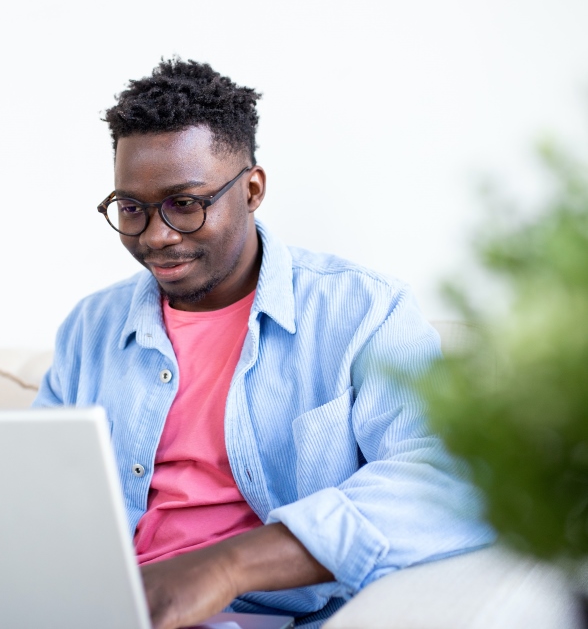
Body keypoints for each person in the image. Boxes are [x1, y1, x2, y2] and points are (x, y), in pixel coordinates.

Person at [33, 58, 492, 629]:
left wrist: (226, 567)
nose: (156, 235)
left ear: (252, 190)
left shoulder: (365, 312)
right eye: (132, 208)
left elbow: (442, 480)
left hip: (256, 613)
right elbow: (33, 489)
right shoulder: (90, 328)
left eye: (185, 203)